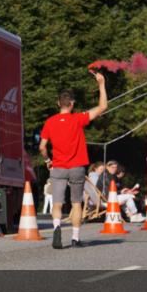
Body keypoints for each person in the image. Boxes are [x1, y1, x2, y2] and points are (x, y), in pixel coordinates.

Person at [39, 70, 108, 249]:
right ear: (72, 104)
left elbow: (42, 147)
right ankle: (76, 238)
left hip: (58, 168)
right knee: (77, 202)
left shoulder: (50, 122)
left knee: (57, 202)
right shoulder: (78, 119)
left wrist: (48, 161)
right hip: (77, 167)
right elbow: (102, 107)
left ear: (58, 104)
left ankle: (56, 227)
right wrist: (101, 84)